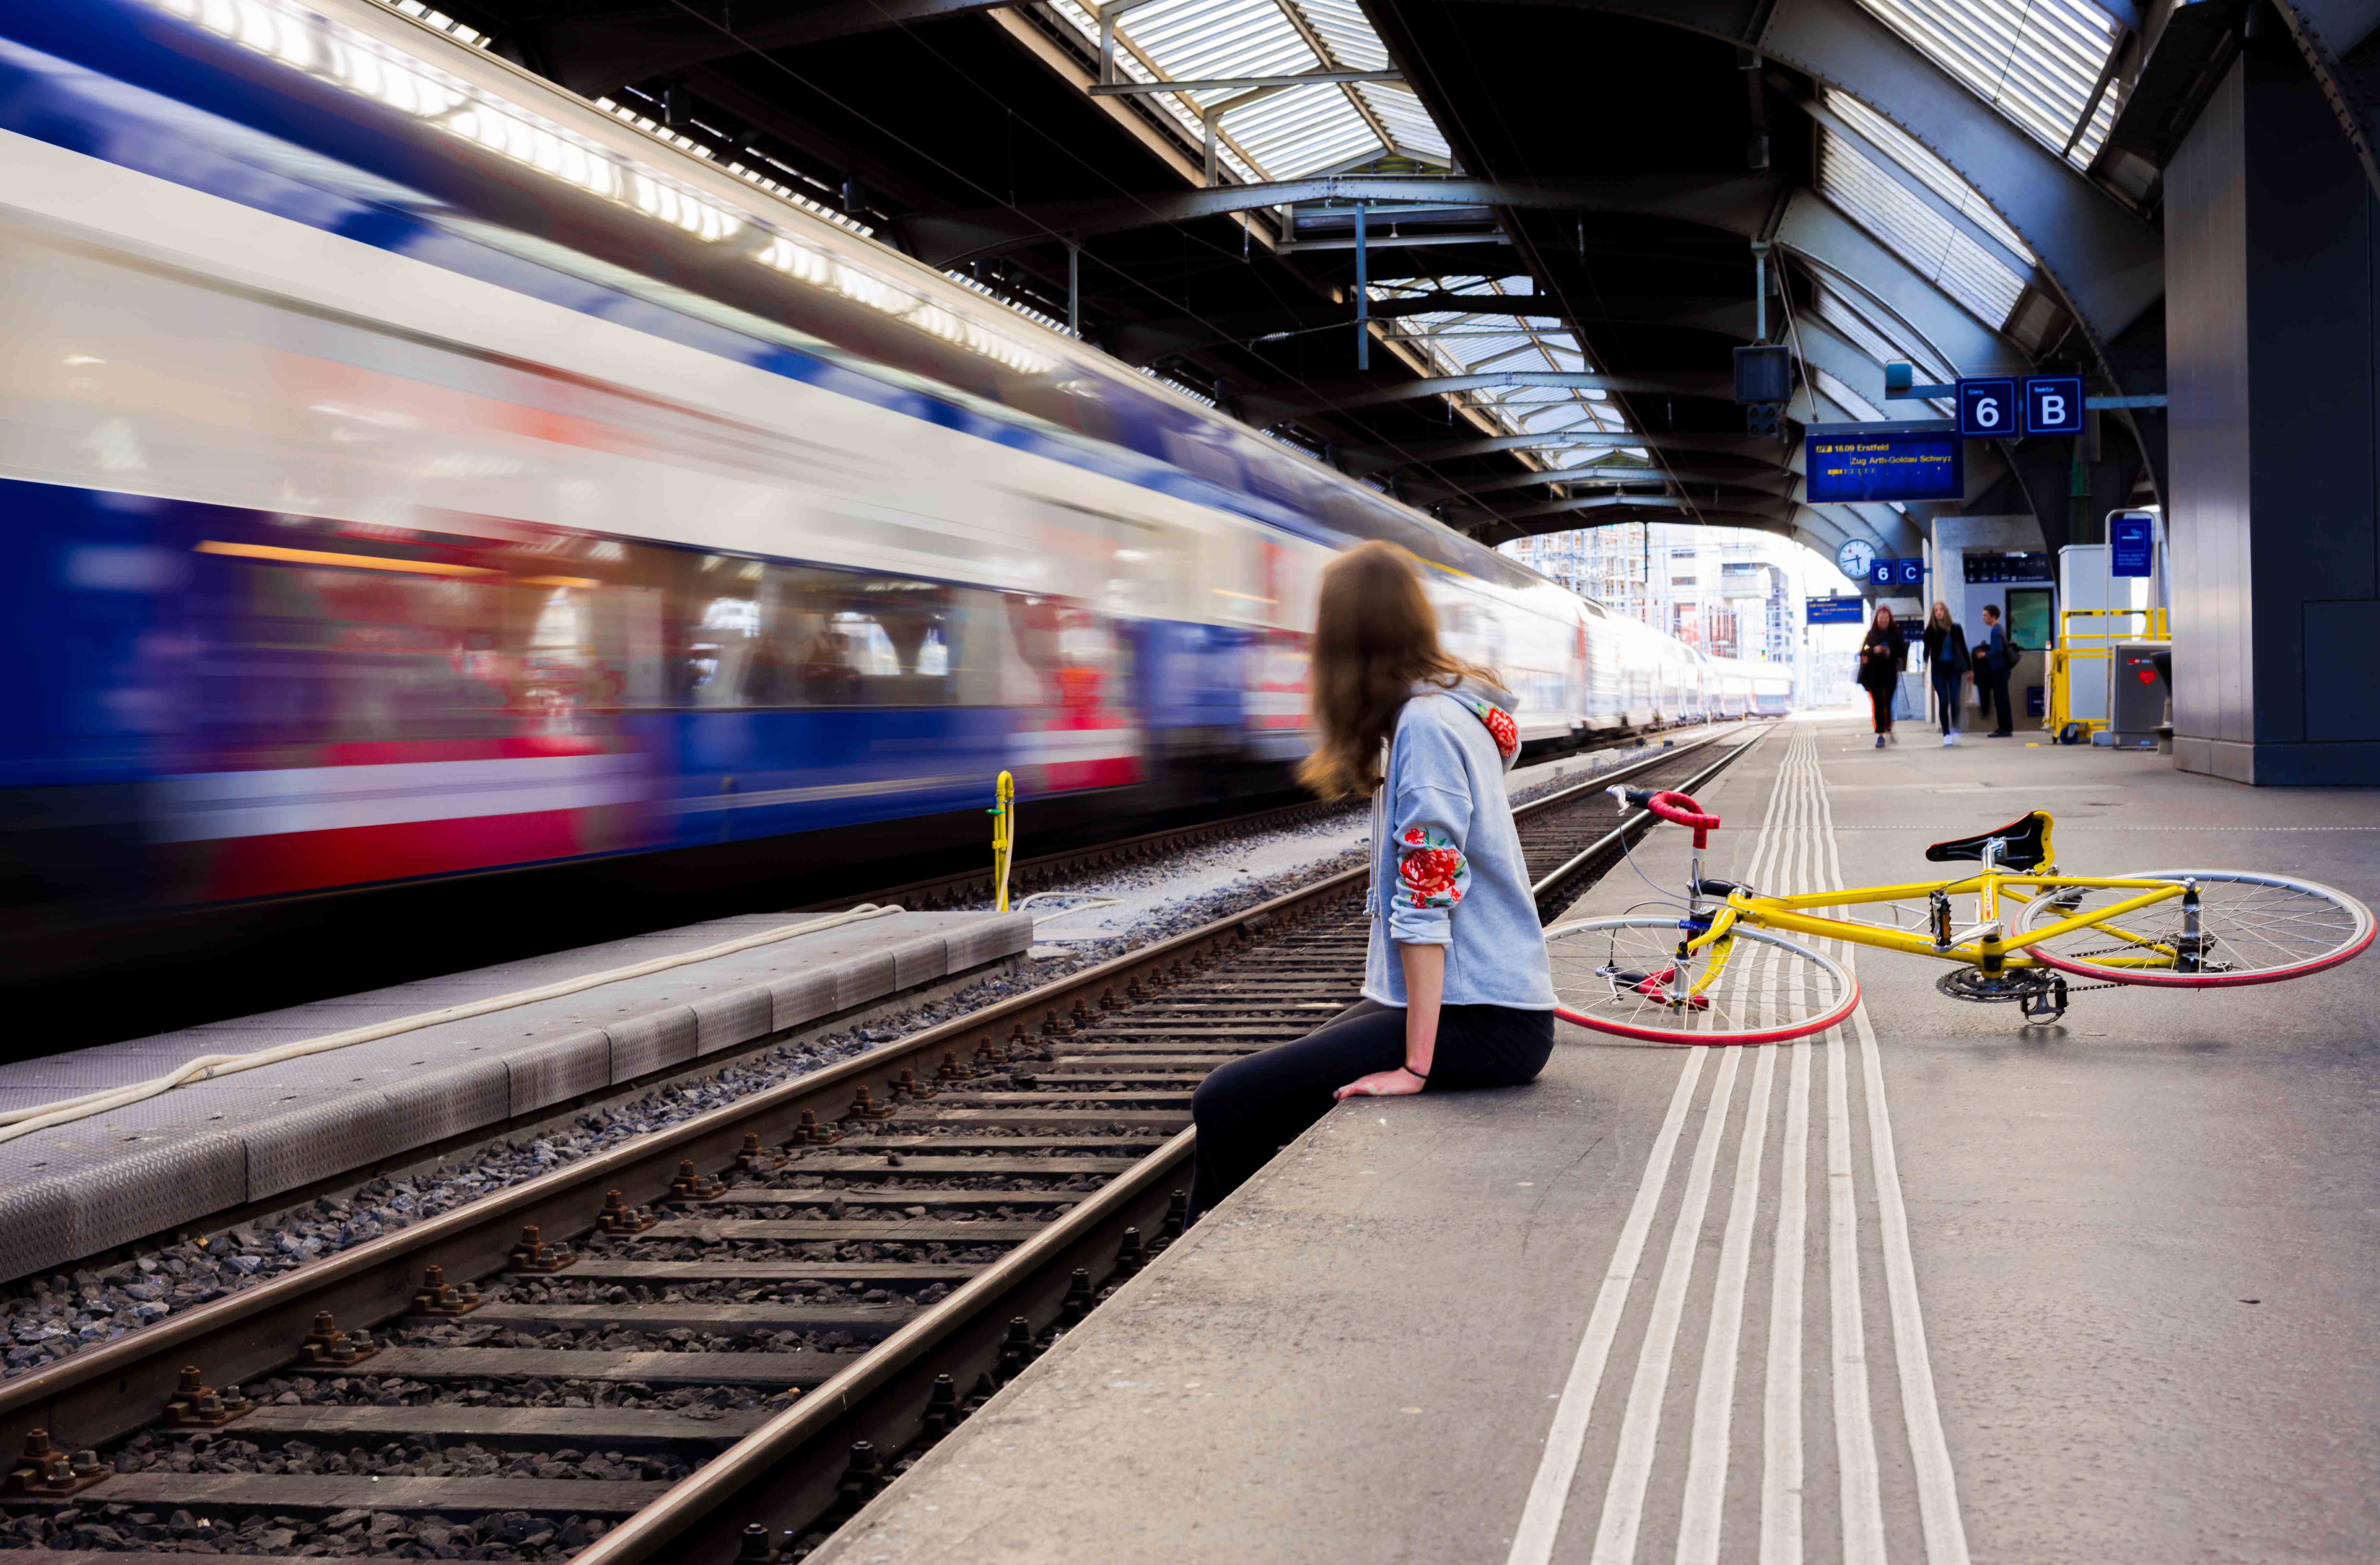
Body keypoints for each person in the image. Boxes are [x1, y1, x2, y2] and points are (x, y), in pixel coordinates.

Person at [1185, 541, 1556, 1221]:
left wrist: (1415, 1069)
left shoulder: (1427, 728)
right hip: (1482, 1008)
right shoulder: (1446, 711)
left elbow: (1425, 899)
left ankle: (1201, 1283)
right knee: (1280, 1085)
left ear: (1345, 646)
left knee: (1226, 1100)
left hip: (1483, 1020)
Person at [1921, 600, 1971, 747]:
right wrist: (1925, 662)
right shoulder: (1931, 630)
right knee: (1944, 701)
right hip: (1939, 670)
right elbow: (1926, 650)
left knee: (1955, 700)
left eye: (1941, 610)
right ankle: (1947, 734)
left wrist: (1970, 669)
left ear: (1946, 612)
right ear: (1934, 614)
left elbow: (1963, 648)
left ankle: (1954, 728)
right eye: (1936, 611)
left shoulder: (1956, 629)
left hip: (1954, 669)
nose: (1939, 613)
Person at [1857, 604, 1905, 748]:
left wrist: (1891, 653)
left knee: (1888, 703)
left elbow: (1902, 652)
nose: (1884, 620)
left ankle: (1889, 728)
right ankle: (1880, 735)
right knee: (1878, 704)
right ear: (1876, 619)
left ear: (1890, 619)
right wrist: (1874, 650)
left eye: (1886, 618)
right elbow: (1863, 653)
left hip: (1890, 673)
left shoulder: (1896, 634)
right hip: (1874, 674)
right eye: (1881, 618)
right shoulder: (1871, 634)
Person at [1979, 603, 2015, 737]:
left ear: (1994, 616)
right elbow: (1998, 647)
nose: (1984, 618)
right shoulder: (1999, 629)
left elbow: (1998, 650)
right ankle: (2007, 727)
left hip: (1999, 669)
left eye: (1986, 616)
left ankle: (2004, 729)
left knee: (2000, 699)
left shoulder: (1995, 630)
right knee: (2003, 698)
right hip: (2003, 669)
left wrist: (1984, 655)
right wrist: (1987, 646)